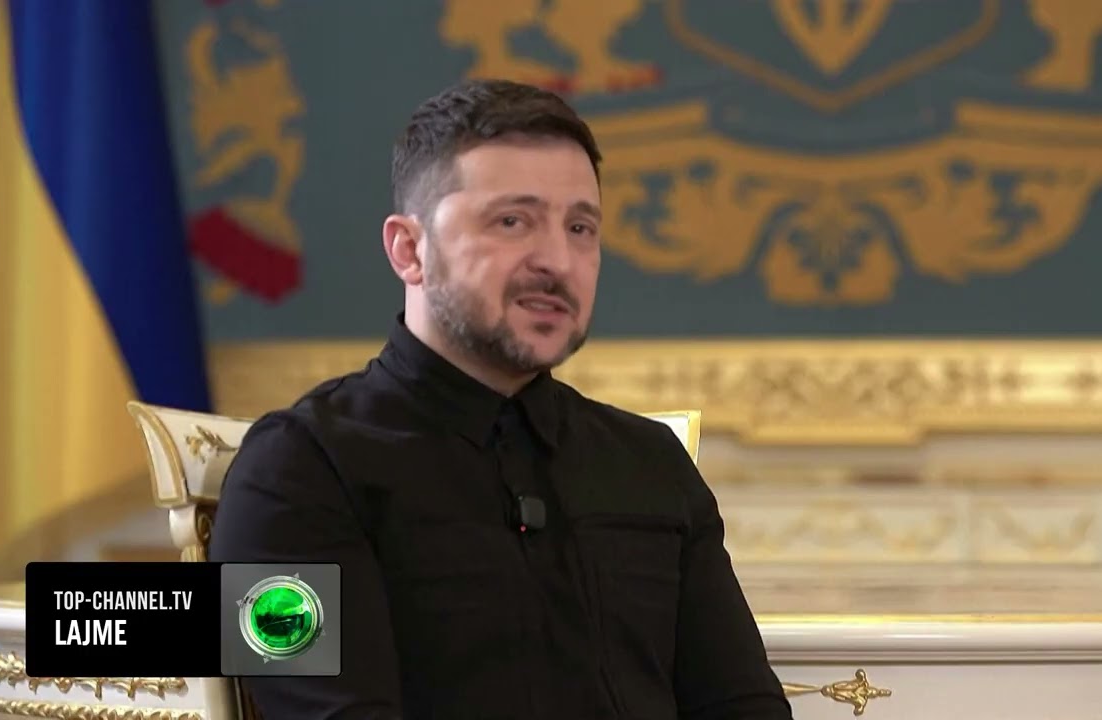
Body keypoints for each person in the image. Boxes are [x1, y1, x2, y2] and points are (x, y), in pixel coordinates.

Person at [207, 78, 792, 720]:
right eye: (512, 221)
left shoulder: (652, 462)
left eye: (580, 227)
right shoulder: (294, 470)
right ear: (409, 250)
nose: (558, 261)